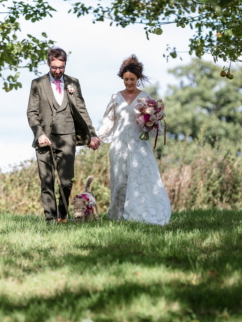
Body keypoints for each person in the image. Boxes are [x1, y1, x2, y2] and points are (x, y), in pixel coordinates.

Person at [27, 47, 100, 223]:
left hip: (68, 137)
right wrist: (39, 134)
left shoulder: (73, 83)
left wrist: (92, 134)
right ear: (48, 64)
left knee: (66, 182)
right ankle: (51, 220)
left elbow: (82, 109)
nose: (58, 71)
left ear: (65, 64)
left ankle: (62, 215)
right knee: (47, 181)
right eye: (54, 67)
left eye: (61, 67)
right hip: (45, 139)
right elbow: (31, 112)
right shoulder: (37, 84)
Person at [97, 55, 172, 225]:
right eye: (126, 79)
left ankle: (142, 213)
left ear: (138, 78)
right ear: (122, 78)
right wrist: (97, 137)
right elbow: (109, 122)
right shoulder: (116, 97)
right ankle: (118, 215)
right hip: (119, 143)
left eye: (132, 79)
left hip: (139, 143)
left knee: (142, 176)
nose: (129, 82)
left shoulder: (145, 97)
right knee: (120, 179)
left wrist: (151, 121)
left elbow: (154, 124)